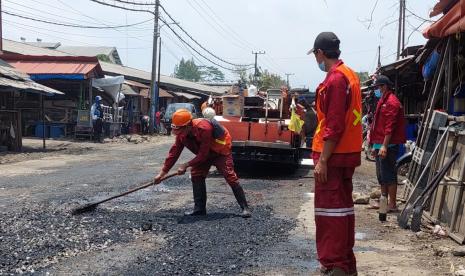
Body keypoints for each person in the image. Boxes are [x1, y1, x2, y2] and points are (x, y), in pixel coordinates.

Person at [308, 32, 362, 276]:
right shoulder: (349, 75)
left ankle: (334, 265)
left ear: (320, 53)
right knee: (343, 210)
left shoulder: (336, 79)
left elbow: (334, 124)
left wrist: (324, 161)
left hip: (334, 155)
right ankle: (345, 265)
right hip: (345, 153)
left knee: (329, 212)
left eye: (315, 55)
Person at [153, 109, 251, 218]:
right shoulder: (182, 134)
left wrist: (185, 165)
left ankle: (245, 208)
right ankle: (199, 209)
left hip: (220, 151)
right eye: (177, 131)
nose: (179, 134)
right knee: (196, 174)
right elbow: (174, 153)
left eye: (180, 131)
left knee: (230, 176)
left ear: (188, 126)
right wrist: (162, 173)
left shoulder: (204, 128)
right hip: (204, 153)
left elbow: (203, 155)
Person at [369, 75, 406, 212]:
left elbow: (389, 127)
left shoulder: (392, 102)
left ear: (384, 86)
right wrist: (375, 145)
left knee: (389, 174)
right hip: (380, 144)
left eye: (378, 87)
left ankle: (392, 204)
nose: (377, 90)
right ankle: (384, 201)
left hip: (388, 145)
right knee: (382, 175)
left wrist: (384, 145)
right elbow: (377, 126)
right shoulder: (382, 100)